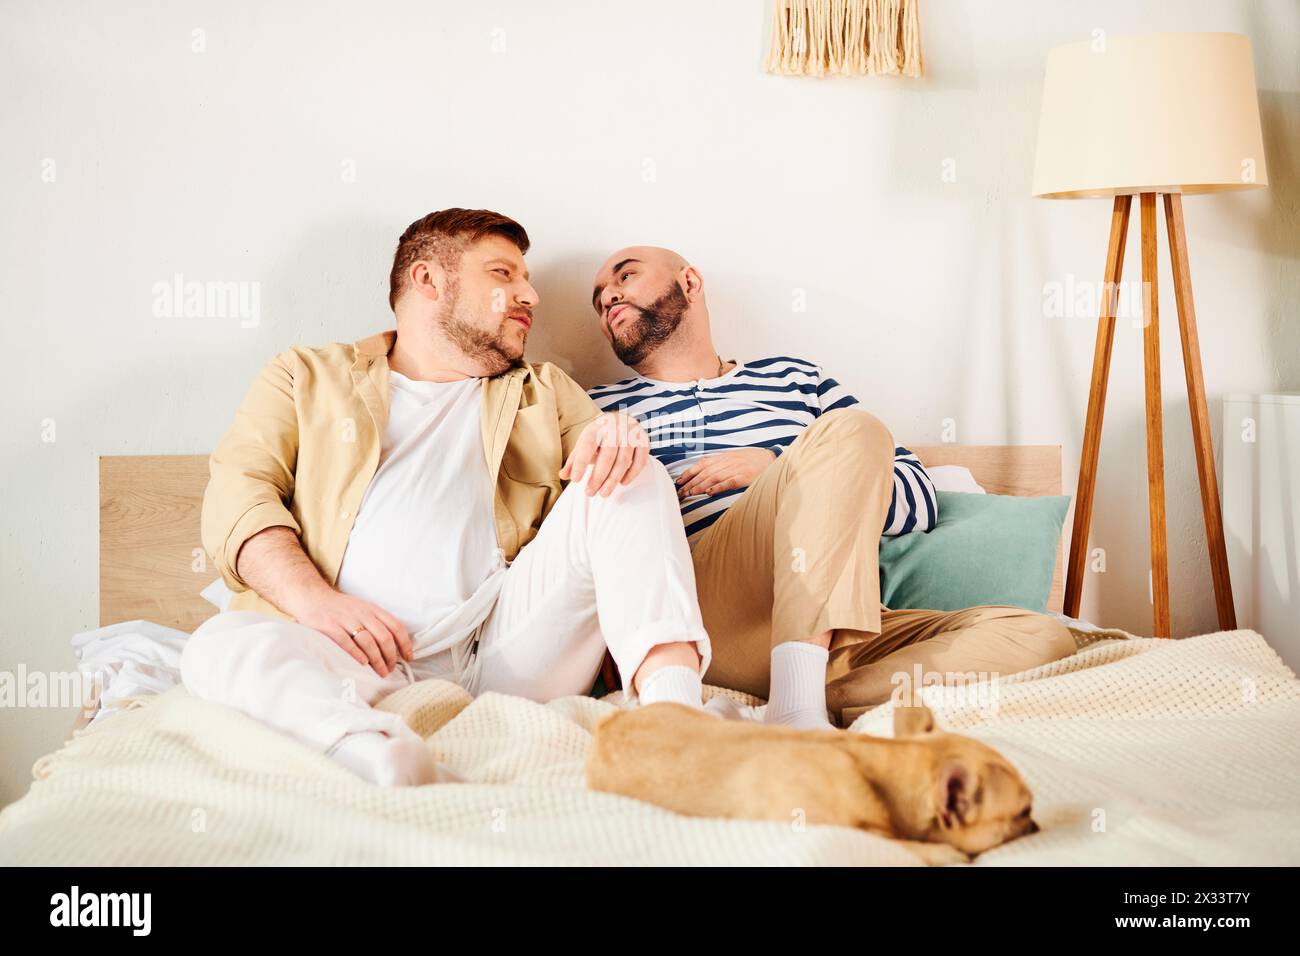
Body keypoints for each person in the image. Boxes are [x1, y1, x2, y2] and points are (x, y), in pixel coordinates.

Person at [182, 212, 717, 786]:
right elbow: (239, 496)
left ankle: (675, 718)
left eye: (526, 278)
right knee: (216, 646)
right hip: (348, 653)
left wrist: (615, 434)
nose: (529, 294)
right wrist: (317, 603)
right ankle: (366, 750)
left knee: (632, 473)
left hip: (507, 653)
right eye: (502, 273)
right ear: (427, 280)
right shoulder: (305, 376)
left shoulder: (544, 390)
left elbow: (602, 476)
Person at [587, 246, 1077, 729]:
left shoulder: (796, 379)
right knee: (853, 430)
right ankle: (797, 711)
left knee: (1040, 637)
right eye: (599, 297)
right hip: (707, 602)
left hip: (838, 623)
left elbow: (918, 499)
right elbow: (581, 527)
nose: (608, 296)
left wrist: (779, 468)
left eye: (625, 277)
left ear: (689, 283)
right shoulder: (598, 408)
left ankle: (794, 699)